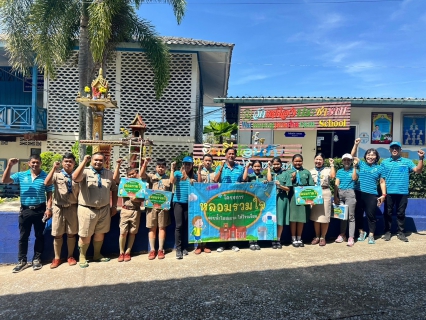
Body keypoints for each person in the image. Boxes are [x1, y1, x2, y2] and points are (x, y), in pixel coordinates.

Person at [2, 155, 53, 272]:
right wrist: (9, 166)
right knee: (23, 237)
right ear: (29, 163)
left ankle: (37, 259)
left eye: (37, 162)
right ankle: (22, 261)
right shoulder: (21, 175)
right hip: (25, 210)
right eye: (33, 162)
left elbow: (50, 194)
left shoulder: (46, 176)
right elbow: (4, 180)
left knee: (39, 236)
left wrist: (49, 209)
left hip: (40, 210)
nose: (35, 164)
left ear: (41, 163)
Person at [72, 153, 118, 268]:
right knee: (85, 235)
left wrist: (114, 206)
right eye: (96, 160)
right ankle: (82, 256)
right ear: (91, 160)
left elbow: (114, 189)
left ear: (104, 161)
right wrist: (83, 162)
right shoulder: (85, 171)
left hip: (104, 209)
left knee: (100, 233)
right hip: (87, 209)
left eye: (101, 160)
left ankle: (97, 255)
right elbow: (75, 177)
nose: (98, 162)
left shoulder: (108, 173)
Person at [380, 141, 424, 242]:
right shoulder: (384, 162)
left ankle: (401, 232)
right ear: (390, 150)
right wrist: (383, 193)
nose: (394, 150)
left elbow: (418, 170)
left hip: (403, 192)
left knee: (401, 213)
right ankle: (387, 232)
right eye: (393, 148)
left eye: (397, 148)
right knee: (387, 213)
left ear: (400, 150)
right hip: (389, 193)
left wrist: (421, 158)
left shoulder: (407, 162)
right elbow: (382, 179)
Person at [44, 153, 79, 268]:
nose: (68, 163)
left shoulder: (77, 176)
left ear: (74, 164)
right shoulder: (57, 174)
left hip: (72, 208)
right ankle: (57, 258)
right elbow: (47, 182)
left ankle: (70, 256)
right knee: (57, 234)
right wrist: (53, 168)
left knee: (71, 234)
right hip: (58, 208)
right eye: (66, 161)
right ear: (63, 162)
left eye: (70, 161)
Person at [351, 138, 387, 244]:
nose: (370, 157)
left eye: (373, 155)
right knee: (358, 213)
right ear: (365, 156)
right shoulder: (361, 164)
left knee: (371, 215)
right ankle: (361, 232)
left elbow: (382, 182)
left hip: (371, 194)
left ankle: (371, 235)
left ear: (376, 157)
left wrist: (384, 195)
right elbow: (352, 156)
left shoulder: (380, 168)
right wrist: (355, 144)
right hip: (358, 192)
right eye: (368, 154)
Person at [140, 158, 173, 260]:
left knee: (162, 227)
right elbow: (141, 175)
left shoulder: (168, 178)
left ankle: (160, 249)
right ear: (156, 167)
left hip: (163, 208)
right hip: (151, 207)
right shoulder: (151, 177)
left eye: (163, 167)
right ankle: (152, 249)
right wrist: (145, 163)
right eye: (159, 167)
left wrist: (168, 205)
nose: (161, 169)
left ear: (165, 168)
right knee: (152, 227)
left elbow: (171, 191)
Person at [214, 147, 244, 252]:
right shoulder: (220, 167)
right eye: (229, 153)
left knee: (234, 221)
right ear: (226, 155)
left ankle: (233, 244)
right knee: (223, 222)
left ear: (235, 156)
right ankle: (222, 244)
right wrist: (221, 167)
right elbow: (215, 180)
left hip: (236, 199)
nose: (231, 155)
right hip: (223, 199)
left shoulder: (240, 168)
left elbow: (244, 181)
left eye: (233, 154)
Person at [113, 159, 142, 262]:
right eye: (129, 174)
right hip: (125, 210)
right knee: (123, 232)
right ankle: (121, 252)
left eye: (133, 174)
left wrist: (136, 199)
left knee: (133, 232)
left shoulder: (141, 184)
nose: (131, 176)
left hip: (136, 210)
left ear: (136, 173)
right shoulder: (124, 183)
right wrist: (118, 165)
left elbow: (144, 198)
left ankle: (128, 252)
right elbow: (115, 179)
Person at [170, 156, 197, 259]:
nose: (187, 166)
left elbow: (197, 187)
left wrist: (193, 183)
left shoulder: (193, 175)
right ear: (183, 164)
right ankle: (178, 249)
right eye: (185, 164)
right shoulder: (178, 173)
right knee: (179, 225)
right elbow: (172, 181)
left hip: (188, 203)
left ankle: (184, 247)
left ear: (191, 165)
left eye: (189, 164)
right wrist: (172, 170)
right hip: (178, 203)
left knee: (186, 225)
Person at [243, 160, 271, 250]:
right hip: (251, 202)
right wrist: (247, 168)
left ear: (261, 167)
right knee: (251, 221)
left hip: (261, 202)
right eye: (255, 166)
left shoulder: (263, 177)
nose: (257, 168)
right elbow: (244, 179)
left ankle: (257, 240)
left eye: (258, 166)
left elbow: (270, 181)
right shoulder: (250, 177)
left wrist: (268, 169)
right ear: (253, 167)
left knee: (259, 221)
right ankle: (251, 241)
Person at [288, 154, 314, 248]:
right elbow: (286, 186)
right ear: (292, 162)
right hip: (293, 197)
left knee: (301, 219)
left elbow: (311, 185)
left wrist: (312, 199)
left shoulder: (306, 172)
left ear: (302, 162)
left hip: (304, 197)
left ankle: (299, 237)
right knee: (293, 219)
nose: (298, 163)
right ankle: (293, 238)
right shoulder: (288, 172)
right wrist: (292, 178)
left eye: (299, 161)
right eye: (296, 161)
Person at [309, 153, 335, 246]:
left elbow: (332, 176)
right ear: (314, 160)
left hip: (325, 192)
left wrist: (332, 164)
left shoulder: (327, 170)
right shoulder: (310, 171)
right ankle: (316, 236)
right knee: (316, 217)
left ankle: (323, 237)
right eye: (316, 159)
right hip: (315, 193)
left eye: (320, 160)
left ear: (323, 161)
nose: (318, 161)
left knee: (324, 217)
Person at [334, 153, 358, 247]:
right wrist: (335, 196)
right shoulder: (339, 171)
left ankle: (351, 237)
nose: (347, 162)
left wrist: (355, 167)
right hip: (340, 193)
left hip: (350, 193)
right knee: (342, 216)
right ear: (342, 161)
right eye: (345, 160)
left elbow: (354, 178)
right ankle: (342, 235)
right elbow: (336, 183)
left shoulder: (354, 170)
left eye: (349, 160)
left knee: (351, 216)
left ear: (351, 161)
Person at [267, 157, 291, 249]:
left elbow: (288, 188)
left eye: (278, 164)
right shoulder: (271, 173)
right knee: (271, 219)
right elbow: (269, 181)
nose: (276, 166)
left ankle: (278, 239)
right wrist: (269, 168)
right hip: (271, 199)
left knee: (280, 220)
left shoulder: (286, 174)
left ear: (281, 164)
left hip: (282, 198)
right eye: (274, 164)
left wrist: (279, 185)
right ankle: (272, 239)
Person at [194, 154, 214, 254]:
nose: (208, 162)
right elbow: (199, 184)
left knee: (207, 222)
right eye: (206, 160)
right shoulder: (199, 172)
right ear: (203, 161)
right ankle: (198, 245)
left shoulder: (214, 173)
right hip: (200, 200)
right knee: (198, 221)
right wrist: (198, 172)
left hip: (210, 200)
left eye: (209, 160)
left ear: (212, 162)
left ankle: (205, 244)